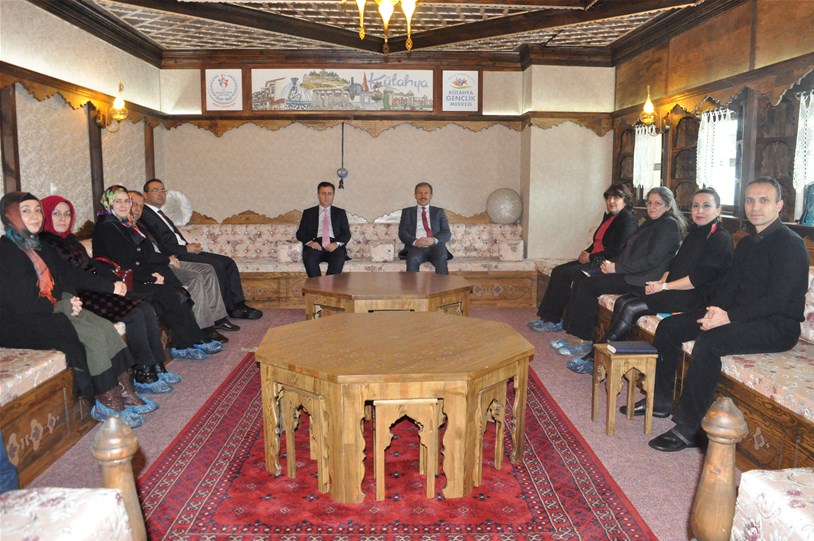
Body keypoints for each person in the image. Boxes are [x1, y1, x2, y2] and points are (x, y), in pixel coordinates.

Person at [647, 177, 808, 452]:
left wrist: (728, 317)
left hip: (777, 326)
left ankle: (688, 428)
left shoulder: (791, 244)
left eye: (764, 200)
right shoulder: (746, 243)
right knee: (670, 327)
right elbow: (730, 285)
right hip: (739, 316)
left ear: (779, 205)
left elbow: (777, 300)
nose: (755, 207)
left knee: (710, 342)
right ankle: (662, 401)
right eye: (750, 200)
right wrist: (715, 310)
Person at [0, 192, 152, 428]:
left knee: (103, 326)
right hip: (17, 322)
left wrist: (85, 294)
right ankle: (107, 401)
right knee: (91, 334)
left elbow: (69, 275)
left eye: (38, 210)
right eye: (26, 211)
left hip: (46, 309)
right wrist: (62, 305)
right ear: (10, 216)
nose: (35, 216)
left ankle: (124, 390)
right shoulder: (6, 251)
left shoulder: (39, 245)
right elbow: (20, 302)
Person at [569, 188, 734, 375]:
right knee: (623, 301)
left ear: (718, 209)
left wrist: (664, 286)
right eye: (696, 206)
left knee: (631, 307)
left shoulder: (720, 238)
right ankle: (614, 359)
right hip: (676, 289)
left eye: (706, 206)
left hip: (697, 297)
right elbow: (674, 264)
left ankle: (596, 358)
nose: (700, 210)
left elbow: (698, 279)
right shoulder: (695, 233)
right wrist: (660, 284)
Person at [40, 195, 181, 392]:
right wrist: (109, 287)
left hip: (93, 289)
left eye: (67, 214)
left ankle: (157, 365)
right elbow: (73, 277)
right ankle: (143, 372)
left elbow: (92, 264)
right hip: (77, 295)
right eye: (56, 214)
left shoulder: (69, 239)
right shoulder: (45, 244)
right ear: (46, 215)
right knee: (134, 313)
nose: (63, 218)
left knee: (145, 307)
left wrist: (115, 280)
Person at [559, 186, 686, 371]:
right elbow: (630, 251)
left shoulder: (668, 225)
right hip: (630, 273)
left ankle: (583, 339)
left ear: (668, 206)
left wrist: (617, 268)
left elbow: (651, 260)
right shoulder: (651, 222)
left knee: (588, 284)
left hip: (642, 280)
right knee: (583, 277)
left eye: (657, 204)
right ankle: (577, 336)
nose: (652, 207)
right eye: (649, 203)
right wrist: (612, 264)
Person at [92, 185, 223, 361]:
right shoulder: (107, 227)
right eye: (118, 201)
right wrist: (150, 276)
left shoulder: (124, 224)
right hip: (120, 282)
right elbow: (125, 260)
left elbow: (140, 254)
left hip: (135, 274)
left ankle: (193, 339)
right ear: (108, 204)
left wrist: (152, 273)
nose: (123, 205)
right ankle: (183, 345)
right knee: (168, 294)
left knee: (176, 292)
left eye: (126, 201)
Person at [138, 178, 262, 320]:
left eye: (162, 190)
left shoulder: (159, 213)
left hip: (183, 249)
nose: (161, 193)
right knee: (217, 266)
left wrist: (189, 246)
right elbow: (161, 244)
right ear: (145, 195)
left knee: (228, 262)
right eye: (155, 190)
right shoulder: (145, 215)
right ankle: (228, 309)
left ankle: (238, 304)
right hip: (177, 254)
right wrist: (185, 249)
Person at [130, 190, 236, 344]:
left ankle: (217, 318)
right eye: (133, 204)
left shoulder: (138, 224)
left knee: (208, 269)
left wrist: (170, 256)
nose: (138, 209)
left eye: (140, 206)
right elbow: (145, 255)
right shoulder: (128, 227)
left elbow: (156, 246)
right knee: (195, 277)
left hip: (166, 259)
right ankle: (204, 328)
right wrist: (168, 258)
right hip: (159, 265)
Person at [528, 185, 637, 332]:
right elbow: (598, 241)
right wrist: (587, 251)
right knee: (558, 271)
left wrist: (591, 256)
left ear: (625, 200)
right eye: (609, 198)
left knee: (567, 274)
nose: (611, 201)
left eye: (616, 197)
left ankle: (556, 321)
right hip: (594, 258)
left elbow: (617, 250)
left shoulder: (627, 220)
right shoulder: (610, 218)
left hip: (604, 263)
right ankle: (550, 318)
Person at [295, 181, 351, 278]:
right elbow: (300, 233)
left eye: (329, 193)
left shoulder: (340, 213)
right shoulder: (308, 213)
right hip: (315, 245)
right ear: (318, 195)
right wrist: (310, 243)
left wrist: (336, 244)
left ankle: (329, 286)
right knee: (309, 257)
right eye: (323, 193)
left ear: (333, 195)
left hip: (333, 245)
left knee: (339, 257)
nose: (326, 196)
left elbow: (346, 233)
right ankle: (317, 285)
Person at [398, 182, 452, 275]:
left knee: (441, 257)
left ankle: (442, 284)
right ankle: (411, 285)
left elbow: (446, 232)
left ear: (431, 195)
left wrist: (433, 240)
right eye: (420, 193)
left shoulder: (439, 212)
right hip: (416, 247)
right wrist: (415, 241)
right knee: (413, 258)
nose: (423, 196)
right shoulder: (407, 212)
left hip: (436, 246)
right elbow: (402, 232)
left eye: (426, 193)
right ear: (415, 195)